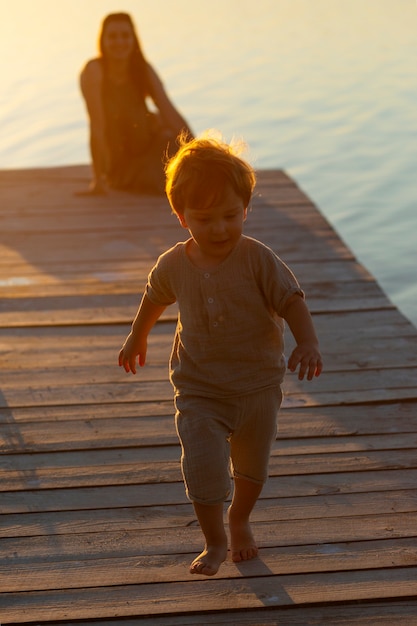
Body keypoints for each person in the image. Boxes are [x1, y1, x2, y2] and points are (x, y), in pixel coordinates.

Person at [118, 133, 323, 576]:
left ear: (246, 209)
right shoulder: (174, 263)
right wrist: (138, 336)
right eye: (205, 218)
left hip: (257, 385)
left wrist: (308, 342)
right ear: (181, 216)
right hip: (198, 387)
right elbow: (154, 297)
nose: (220, 228)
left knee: (252, 464)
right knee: (203, 465)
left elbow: (291, 300)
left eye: (231, 216)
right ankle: (214, 540)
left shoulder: (257, 259)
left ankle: (240, 519)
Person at [79, 12, 193, 195]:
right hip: (119, 165)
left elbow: (169, 111)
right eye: (112, 36)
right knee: (170, 176)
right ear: (103, 40)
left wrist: (199, 151)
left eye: (125, 36)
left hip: (147, 147)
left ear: (134, 39)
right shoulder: (94, 71)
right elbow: (97, 127)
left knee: (175, 138)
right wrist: (97, 180)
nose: (119, 42)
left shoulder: (142, 69)